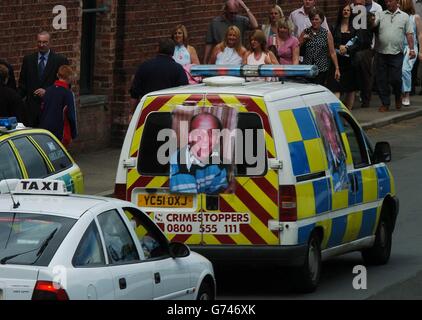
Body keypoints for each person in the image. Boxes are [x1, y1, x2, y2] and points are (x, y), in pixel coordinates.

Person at [170, 112, 230, 194]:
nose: (205, 139)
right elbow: (190, 203)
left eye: (211, 133)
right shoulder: (176, 168)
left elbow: (219, 193)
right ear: (189, 137)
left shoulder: (218, 165)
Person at [18, 31, 69, 127]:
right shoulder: (28, 60)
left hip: (51, 109)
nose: (41, 45)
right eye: (39, 42)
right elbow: (22, 84)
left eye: (44, 42)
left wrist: (47, 92)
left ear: (50, 43)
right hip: (31, 110)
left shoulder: (59, 60)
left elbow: (65, 86)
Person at [374, 0, 416, 112]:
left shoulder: (404, 16)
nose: (388, 3)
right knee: (382, 80)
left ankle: (398, 96)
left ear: (396, 2)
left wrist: (412, 49)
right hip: (381, 52)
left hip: (397, 53)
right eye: (386, 1)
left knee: (396, 79)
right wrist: (371, 20)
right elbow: (373, 25)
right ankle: (385, 103)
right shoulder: (381, 14)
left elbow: (409, 33)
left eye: (390, 1)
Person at [129, 38, 188, 112]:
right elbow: (184, 94)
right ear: (173, 52)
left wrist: (131, 113)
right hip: (170, 114)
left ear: (157, 49)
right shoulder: (178, 69)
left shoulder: (144, 66)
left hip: (148, 113)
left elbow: (135, 93)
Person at [327, 4, 358, 110]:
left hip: (350, 63)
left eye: (348, 10)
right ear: (341, 12)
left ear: (350, 12)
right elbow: (330, 43)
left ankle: (347, 116)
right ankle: (336, 115)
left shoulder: (355, 28)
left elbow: (359, 43)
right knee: (336, 89)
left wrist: (348, 49)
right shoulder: (334, 27)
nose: (346, 12)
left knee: (350, 90)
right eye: (344, 10)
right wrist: (338, 46)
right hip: (337, 63)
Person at [299, 8, 340, 85]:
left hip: (321, 68)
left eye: (316, 19)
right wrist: (304, 40)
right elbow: (297, 47)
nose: (314, 21)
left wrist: (337, 68)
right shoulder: (305, 32)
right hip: (307, 67)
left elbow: (332, 52)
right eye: (312, 19)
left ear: (321, 20)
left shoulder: (326, 33)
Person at [39, 65, 77, 147]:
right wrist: (73, 134)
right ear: (69, 77)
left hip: (45, 130)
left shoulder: (48, 91)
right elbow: (71, 116)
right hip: (60, 132)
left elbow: (42, 110)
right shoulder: (68, 93)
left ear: (57, 75)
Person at [399, 0, 422, 106]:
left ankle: (406, 94)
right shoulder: (398, 16)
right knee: (398, 71)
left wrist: (421, 51)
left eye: (400, 2)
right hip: (399, 47)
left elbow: (420, 34)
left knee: (405, 69)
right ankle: (400, 93)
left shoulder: (415, 17)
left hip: (411, 47)